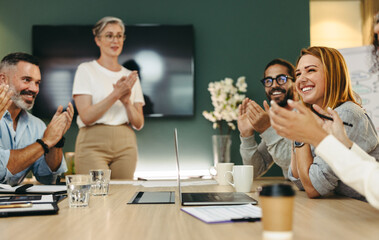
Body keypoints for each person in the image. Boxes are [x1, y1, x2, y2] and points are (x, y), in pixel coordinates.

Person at [288, 46, 379, 200]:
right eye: (298, 74)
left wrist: (301, 135)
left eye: (310, 70)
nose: (301, 79)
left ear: (332, 75)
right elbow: (298, 179)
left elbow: (312, 187)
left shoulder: (346, 114)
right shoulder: (315, 116)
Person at [269, 99, 379, 210]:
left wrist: (320, 140)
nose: (301, 81)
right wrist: (344, 144)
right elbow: (302, 182)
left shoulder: (347, 112)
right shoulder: (326, 117)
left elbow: (312, 187)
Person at [72, 16, 145, 179]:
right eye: (109, 35)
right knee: (97, 198)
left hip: (126, 143)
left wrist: (126, 102)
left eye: (119, 36)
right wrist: (116, 95)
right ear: (98, 40)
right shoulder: (86, 70)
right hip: (92, 142)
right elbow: (87, 116)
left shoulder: (130, 76)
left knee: (123, 198)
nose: (115, 40)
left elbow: (139, 123)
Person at [0, 52, 73, 186]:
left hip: (15, 204)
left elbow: (47, 178)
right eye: (26, 80)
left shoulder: (37, 125)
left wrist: (56, 141)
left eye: (37, 83)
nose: (34, 89)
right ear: (3, 80)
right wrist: (44, 143)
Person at [238, 58, 296, 178]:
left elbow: (294, 164)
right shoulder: (278, 119)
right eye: (268, 81)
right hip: (296, 193)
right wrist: (246, 135)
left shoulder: (308, 115)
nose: (274, 85)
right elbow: (255, 171)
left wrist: (267, 129)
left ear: (295, 82)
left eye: (281, 79)